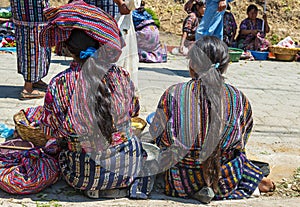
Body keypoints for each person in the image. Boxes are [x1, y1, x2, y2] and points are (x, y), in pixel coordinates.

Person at [23, 1, 147, 198]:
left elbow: (49, 131)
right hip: (127, 169)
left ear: (69, 50)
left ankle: (96, 186)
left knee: (55, 149)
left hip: (81, 175)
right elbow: (134, 110)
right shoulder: (121, 76)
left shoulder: (60, 84)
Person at [149, 36, 275, 203]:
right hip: (225, 180)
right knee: (239, 156)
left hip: (181, 182)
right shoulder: (238, 98)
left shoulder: (173, 94)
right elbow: (242, 140)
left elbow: (160, 139)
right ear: (224, 66)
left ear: (192, 65)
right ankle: (253, 180)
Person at [10, 0, 51, 100]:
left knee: (36, 47)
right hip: (31, 14)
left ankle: (35, 80)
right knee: (32, 49)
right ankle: (28, 89)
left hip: (28, 12)